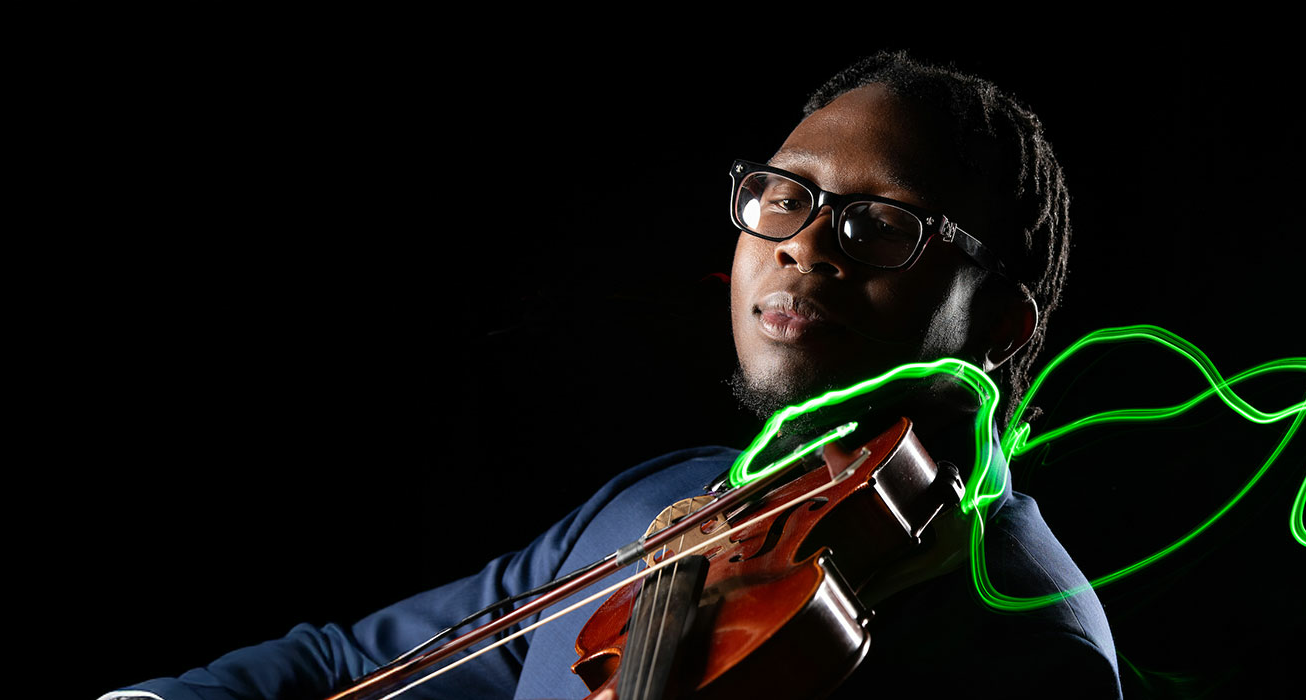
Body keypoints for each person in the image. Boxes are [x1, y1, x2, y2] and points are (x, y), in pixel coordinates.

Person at [104, 51, 1117, 700]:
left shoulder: (1032, 651)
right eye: (783, 197)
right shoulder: (664, 504)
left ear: (1000, 321)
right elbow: (344, 663)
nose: (805, 246)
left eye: (881, 223)